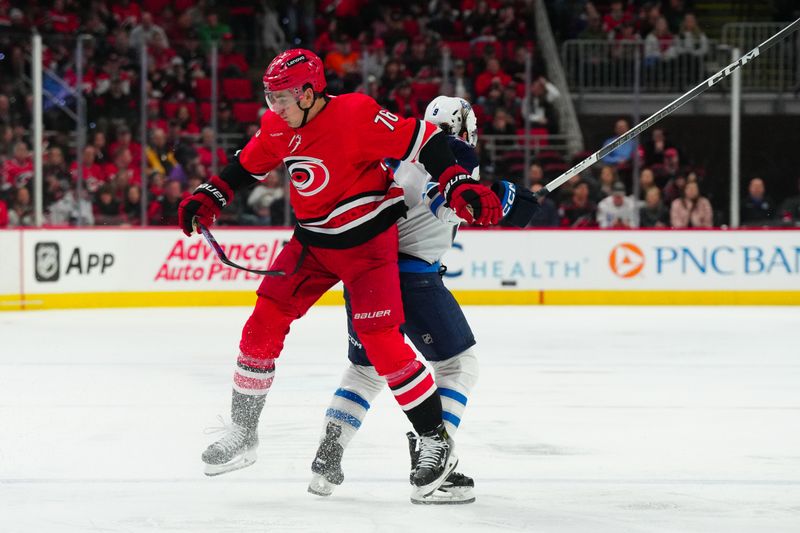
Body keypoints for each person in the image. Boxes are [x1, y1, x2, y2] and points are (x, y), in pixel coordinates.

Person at [178, 50, 503, 500]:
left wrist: (456, 180)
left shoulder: (356, 114)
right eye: (270, 98)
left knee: (383, 346)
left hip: (367, 250)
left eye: (283, 99)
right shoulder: (278, 124)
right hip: (311, 244)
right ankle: (243, 431)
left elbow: (424, 138)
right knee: (261, 323)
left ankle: (434, 441)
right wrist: (210, 194)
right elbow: (249, 163)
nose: (275, 108)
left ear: (310, 93)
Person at [307, 95, 538, 504]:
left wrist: (496, 197)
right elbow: (448, 204)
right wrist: (501, 201)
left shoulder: (397, 144)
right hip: (413, 279)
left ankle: (330, 452)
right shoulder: (457, 150)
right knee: (457, 364)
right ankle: (433, 460)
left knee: (365, 369)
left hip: (363, 274)